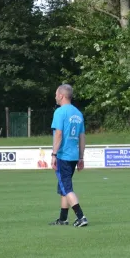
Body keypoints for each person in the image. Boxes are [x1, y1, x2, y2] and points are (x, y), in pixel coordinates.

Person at [49, 84, 88, 227]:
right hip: (73, 156)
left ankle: (81, 217)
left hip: (63, 155)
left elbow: (58, 134)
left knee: (66, 188)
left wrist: (54, 154)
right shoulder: (78, 113)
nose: (55, 97)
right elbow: (82, 137)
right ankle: (63, 219)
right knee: (63, 187)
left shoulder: (60, 112)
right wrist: (81, 157)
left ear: (61, 95)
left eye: (55, 94)